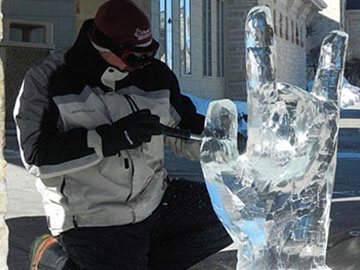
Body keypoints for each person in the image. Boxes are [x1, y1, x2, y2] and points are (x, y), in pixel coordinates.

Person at [14, 0, 232, 269]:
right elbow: (37, 155)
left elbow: (183, 128)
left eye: (150, 53)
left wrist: (225, 140)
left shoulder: (154, 76)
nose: (144, 64)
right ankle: (54, 257)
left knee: (233, 211)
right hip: (94, 216)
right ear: (102, 46)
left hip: (153, 200)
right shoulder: (49, 79)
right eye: (135, 57)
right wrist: (110, 139)